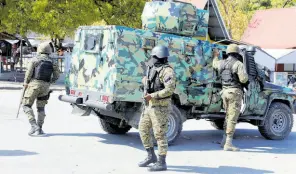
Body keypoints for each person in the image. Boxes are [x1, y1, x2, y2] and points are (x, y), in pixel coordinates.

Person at [138, 45, 176, 171]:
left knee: (160, 134)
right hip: (149, 106)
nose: (152, 59)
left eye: (154, 56)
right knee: (142, 129)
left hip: (160, 107)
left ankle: (161, 162)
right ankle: (151, 156)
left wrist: (152, 95)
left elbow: (169, 89)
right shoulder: (152, 67)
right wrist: (145, 82)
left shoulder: (167, 71)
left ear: (159, 56)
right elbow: (147, 80)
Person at [212, 44, 248, 151]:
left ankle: (224, 141)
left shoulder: (221, 63)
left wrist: (215, 55)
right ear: (237, 53)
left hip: (225, 92)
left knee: (228, 116)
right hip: (235, 93)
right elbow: (243, 79)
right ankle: (228, 144)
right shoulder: (238, 64)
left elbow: (214, 63)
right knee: (232, 118)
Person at [22, 41, 60, 136]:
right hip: (45, 87)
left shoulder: (35, 60)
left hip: (34, 85)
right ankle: (40, 128)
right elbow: (57, 75)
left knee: (26, 105)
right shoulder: (53, 62)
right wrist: (49, 82)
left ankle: (34, 125)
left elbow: (29, 73)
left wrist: (26, 83)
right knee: (41, 108)